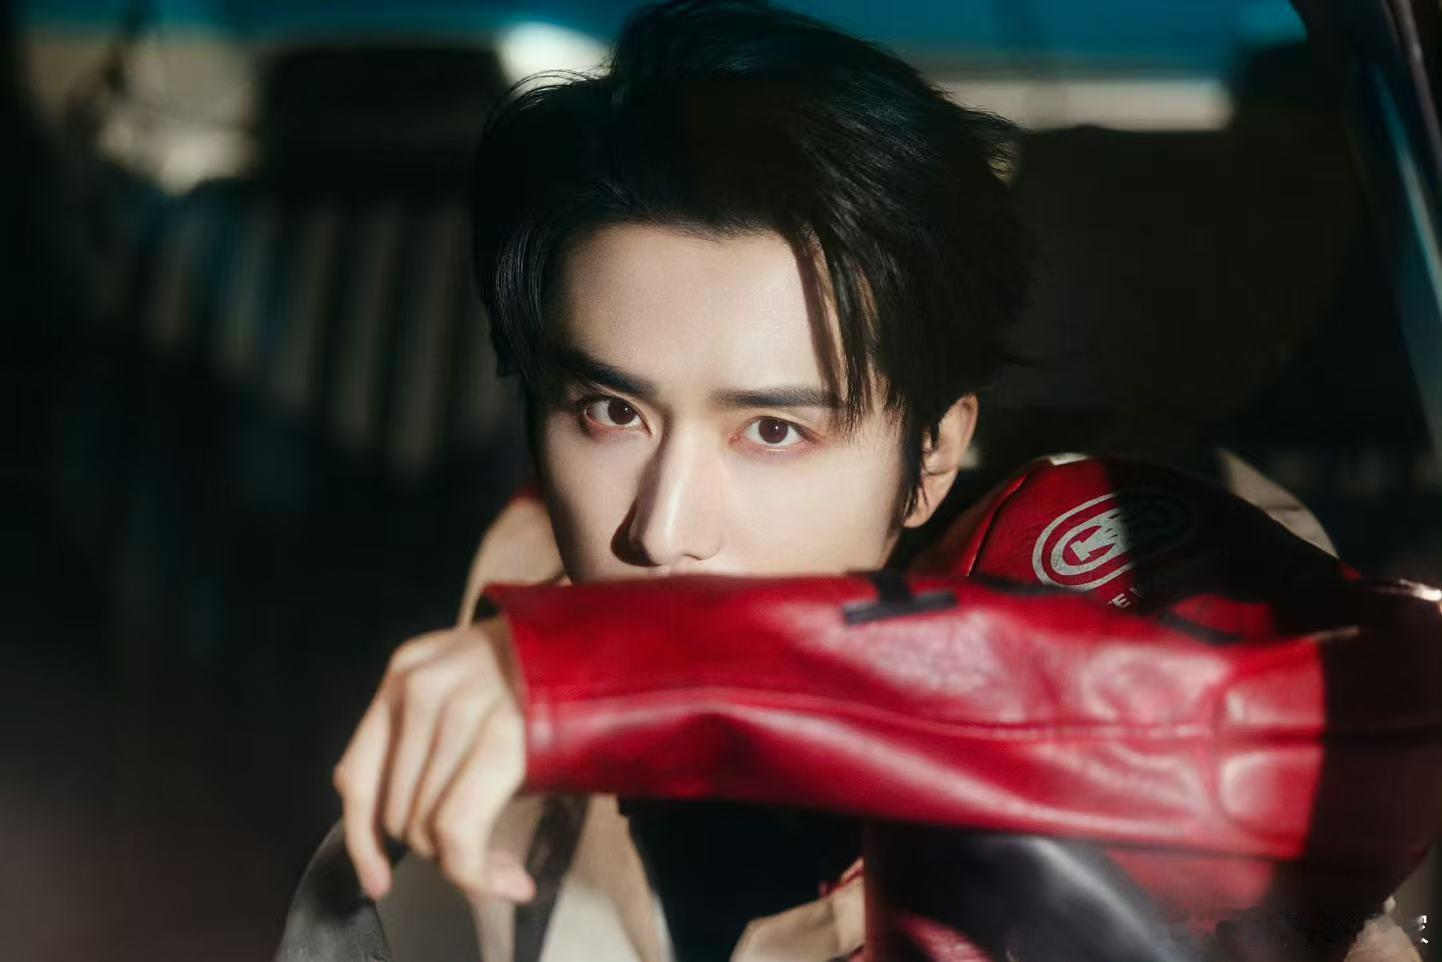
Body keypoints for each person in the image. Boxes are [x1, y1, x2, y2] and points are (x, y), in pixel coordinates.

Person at [323, 3, 1442, 960]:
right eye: (612, 412)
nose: (662, 530)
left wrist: (627, 677)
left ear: (931, 458)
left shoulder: (1105, 574)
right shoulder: (437, 829)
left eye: (772, 430)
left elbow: (1357, 727)